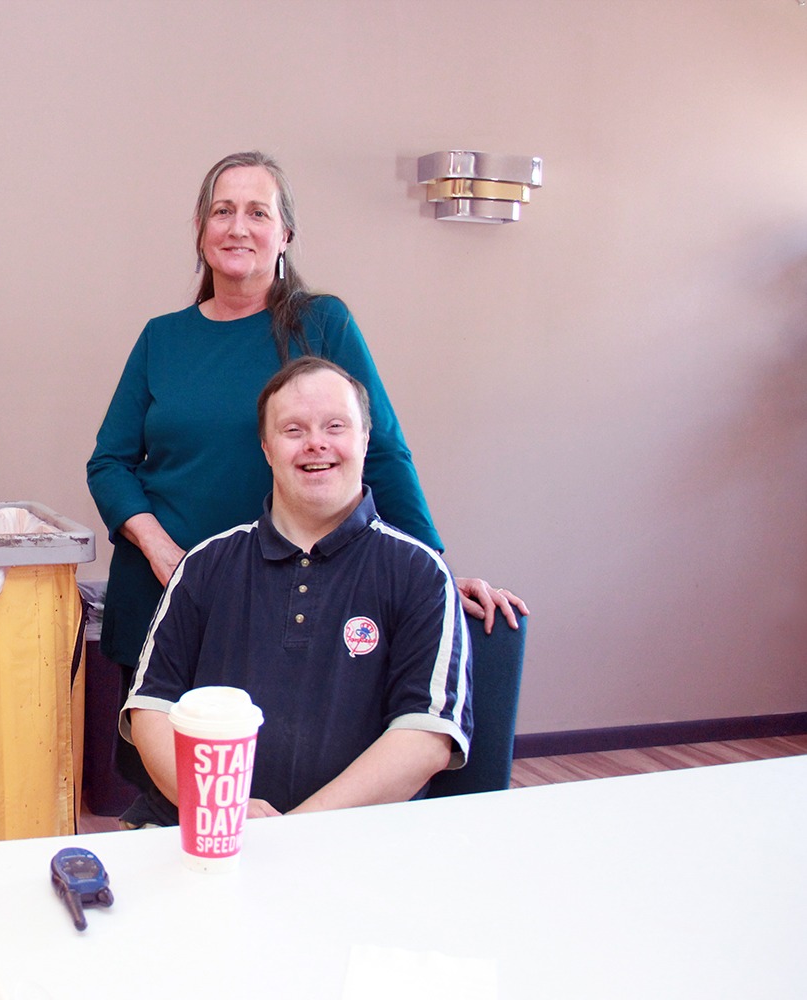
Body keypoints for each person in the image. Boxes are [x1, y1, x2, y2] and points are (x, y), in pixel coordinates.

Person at [86, 150, 523, 789]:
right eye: (222, 211)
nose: (238, 227)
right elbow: (110, 463)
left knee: (283, 774)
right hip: (166, 593)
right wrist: (163, 553)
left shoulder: (322, 323)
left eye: (257, 213)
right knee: (172, 791)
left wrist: (430, 570)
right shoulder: (162, 338)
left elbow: (381, 450)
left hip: (282, 598)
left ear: (285, 233)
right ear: (201, 232)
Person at [121, 356, 472, 823]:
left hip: (357, 843)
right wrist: (220, 808)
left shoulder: (420, 573)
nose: (316, 443)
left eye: (335, 426)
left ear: (365, 439)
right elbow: (151, 710)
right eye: (293, 430)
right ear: (267, 449)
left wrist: (298, 829)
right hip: (203, 828)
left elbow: (426, 738)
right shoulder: (204, 566)